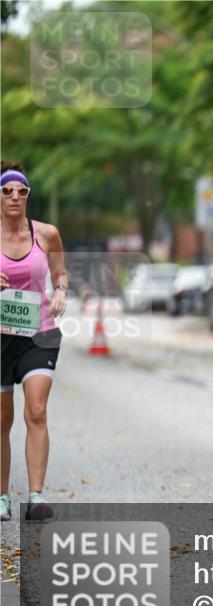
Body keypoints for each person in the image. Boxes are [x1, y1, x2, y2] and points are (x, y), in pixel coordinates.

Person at [1, 161, 68, 522]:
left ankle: (37, 496)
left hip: (39, 333)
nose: (14, 196)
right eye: (7, 190)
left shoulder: (46, 235)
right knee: (2, 419)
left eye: (21, 191)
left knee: (37, 411)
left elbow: (60, 273)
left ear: (28, 196)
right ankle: (1, 497)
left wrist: (59, 292)